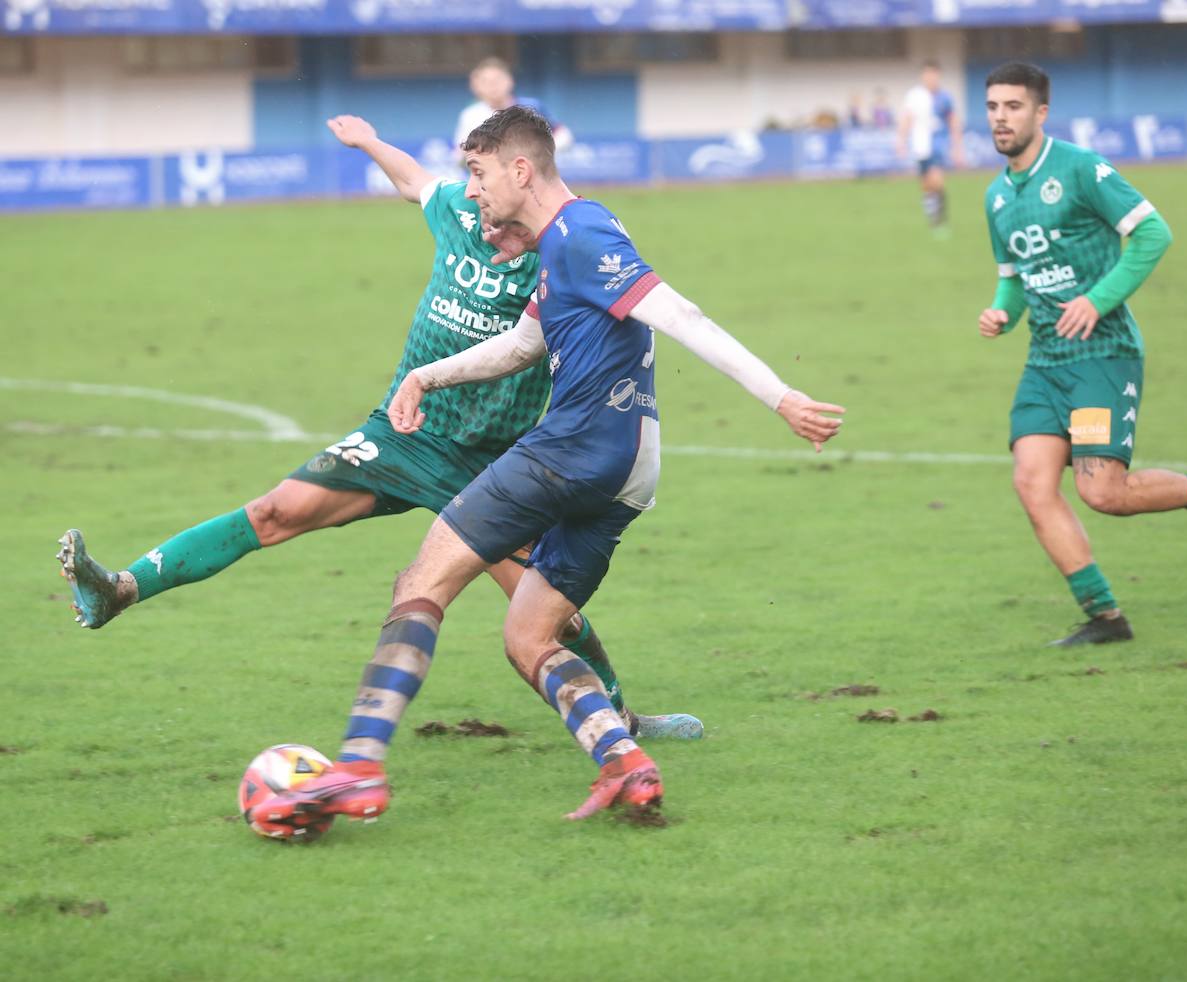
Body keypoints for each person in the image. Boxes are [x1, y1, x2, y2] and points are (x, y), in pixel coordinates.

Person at [250, 105, 845, 834]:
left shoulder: (582, 233)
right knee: (529, 637)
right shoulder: (562, 244)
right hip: (630, 472)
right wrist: (426, 377)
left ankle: (360, 768)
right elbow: (522, 345)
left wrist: (782, 397)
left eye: (478, 173)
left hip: (572, 449)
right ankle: (625, 763)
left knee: (421, 583)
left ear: (521, 169)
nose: (472, 190)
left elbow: (681, 315)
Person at [57, 112, 700, 741]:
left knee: (547, 611)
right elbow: (414, 179)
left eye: (482, 181)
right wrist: (368, 142)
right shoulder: (457, 209)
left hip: (493, 464)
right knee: (275, 511)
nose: (474, 196)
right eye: (471, 182)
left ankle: (622, 720)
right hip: (404, 434)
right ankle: (121, 589)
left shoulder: (555, 250)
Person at [977, 61, 1187, 647]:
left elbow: (1152, 233)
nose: (1001, 117)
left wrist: (1097, 300)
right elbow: (1014, 280)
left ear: (1041, 112)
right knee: (1032, 484)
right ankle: (1105, 618)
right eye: (993, 106)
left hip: (1101, 356)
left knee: (1104, 493)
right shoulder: (997, 196)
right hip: (1044, 364)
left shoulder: (1079, 168)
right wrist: (1001, 312)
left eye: (1013, 106)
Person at [453, 57, 572, 162]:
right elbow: (460, 153)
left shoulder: (530, 107)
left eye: (497, 80)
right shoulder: (470, 115)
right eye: (486, 81)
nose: (492, 86)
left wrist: (539, 152)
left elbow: (563, 135)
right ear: (476, 86)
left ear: (510, 81)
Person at [896, 62, 964, 233]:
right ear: (923, 76)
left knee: (937, 180)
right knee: (926, 185)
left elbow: (953, 121)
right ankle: (934, 220)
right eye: (927, 74)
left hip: (938, 144)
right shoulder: (915, 96)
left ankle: (941, 220)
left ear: (938, 76)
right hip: (920, 145)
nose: (930, 78)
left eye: (933, 74)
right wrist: (901, 141)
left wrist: (957, 146)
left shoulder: (945, 97)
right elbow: (907, 118)